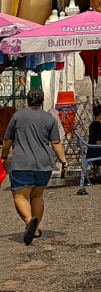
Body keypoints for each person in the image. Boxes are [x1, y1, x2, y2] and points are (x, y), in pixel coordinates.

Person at [1, 88, 67, 245]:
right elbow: (56, 142)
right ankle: (36, 230)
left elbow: (8, 139)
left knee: (20, 196)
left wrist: (4, 156)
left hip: (22, 163)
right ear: (42, 101)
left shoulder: (18, 116)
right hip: (44, 164)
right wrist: (63, 161)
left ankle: (29, 221)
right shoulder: (49, 118)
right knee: (37, 196)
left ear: (27, 100)